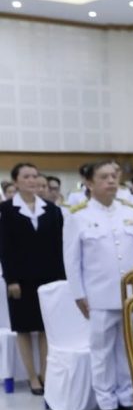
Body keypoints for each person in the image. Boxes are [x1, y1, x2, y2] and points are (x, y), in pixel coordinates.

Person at [63, 160, 133, 410]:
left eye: (114, 176)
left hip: (129, 295)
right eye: (104, 177)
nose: (111, 181)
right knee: (101, 351)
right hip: (98, 296)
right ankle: (106, 401)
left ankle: (126, 397)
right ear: (89, 183)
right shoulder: (79, 216)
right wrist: (79, 294)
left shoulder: (130, 212)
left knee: (127, 349)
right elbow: (72, 261)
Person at [0, 162, 66, 394]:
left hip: (49, 276)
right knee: (24, 328)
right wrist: (11, 279)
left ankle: (45, 373)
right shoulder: (6, 210)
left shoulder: (52, 209)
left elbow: (59, 246)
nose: (31, 180)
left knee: (46, 327)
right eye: (26, 176)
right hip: (21, 279)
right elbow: (5, 247)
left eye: (34, 176)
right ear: (16, 181)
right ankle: (31, 376)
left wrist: (62, 279)